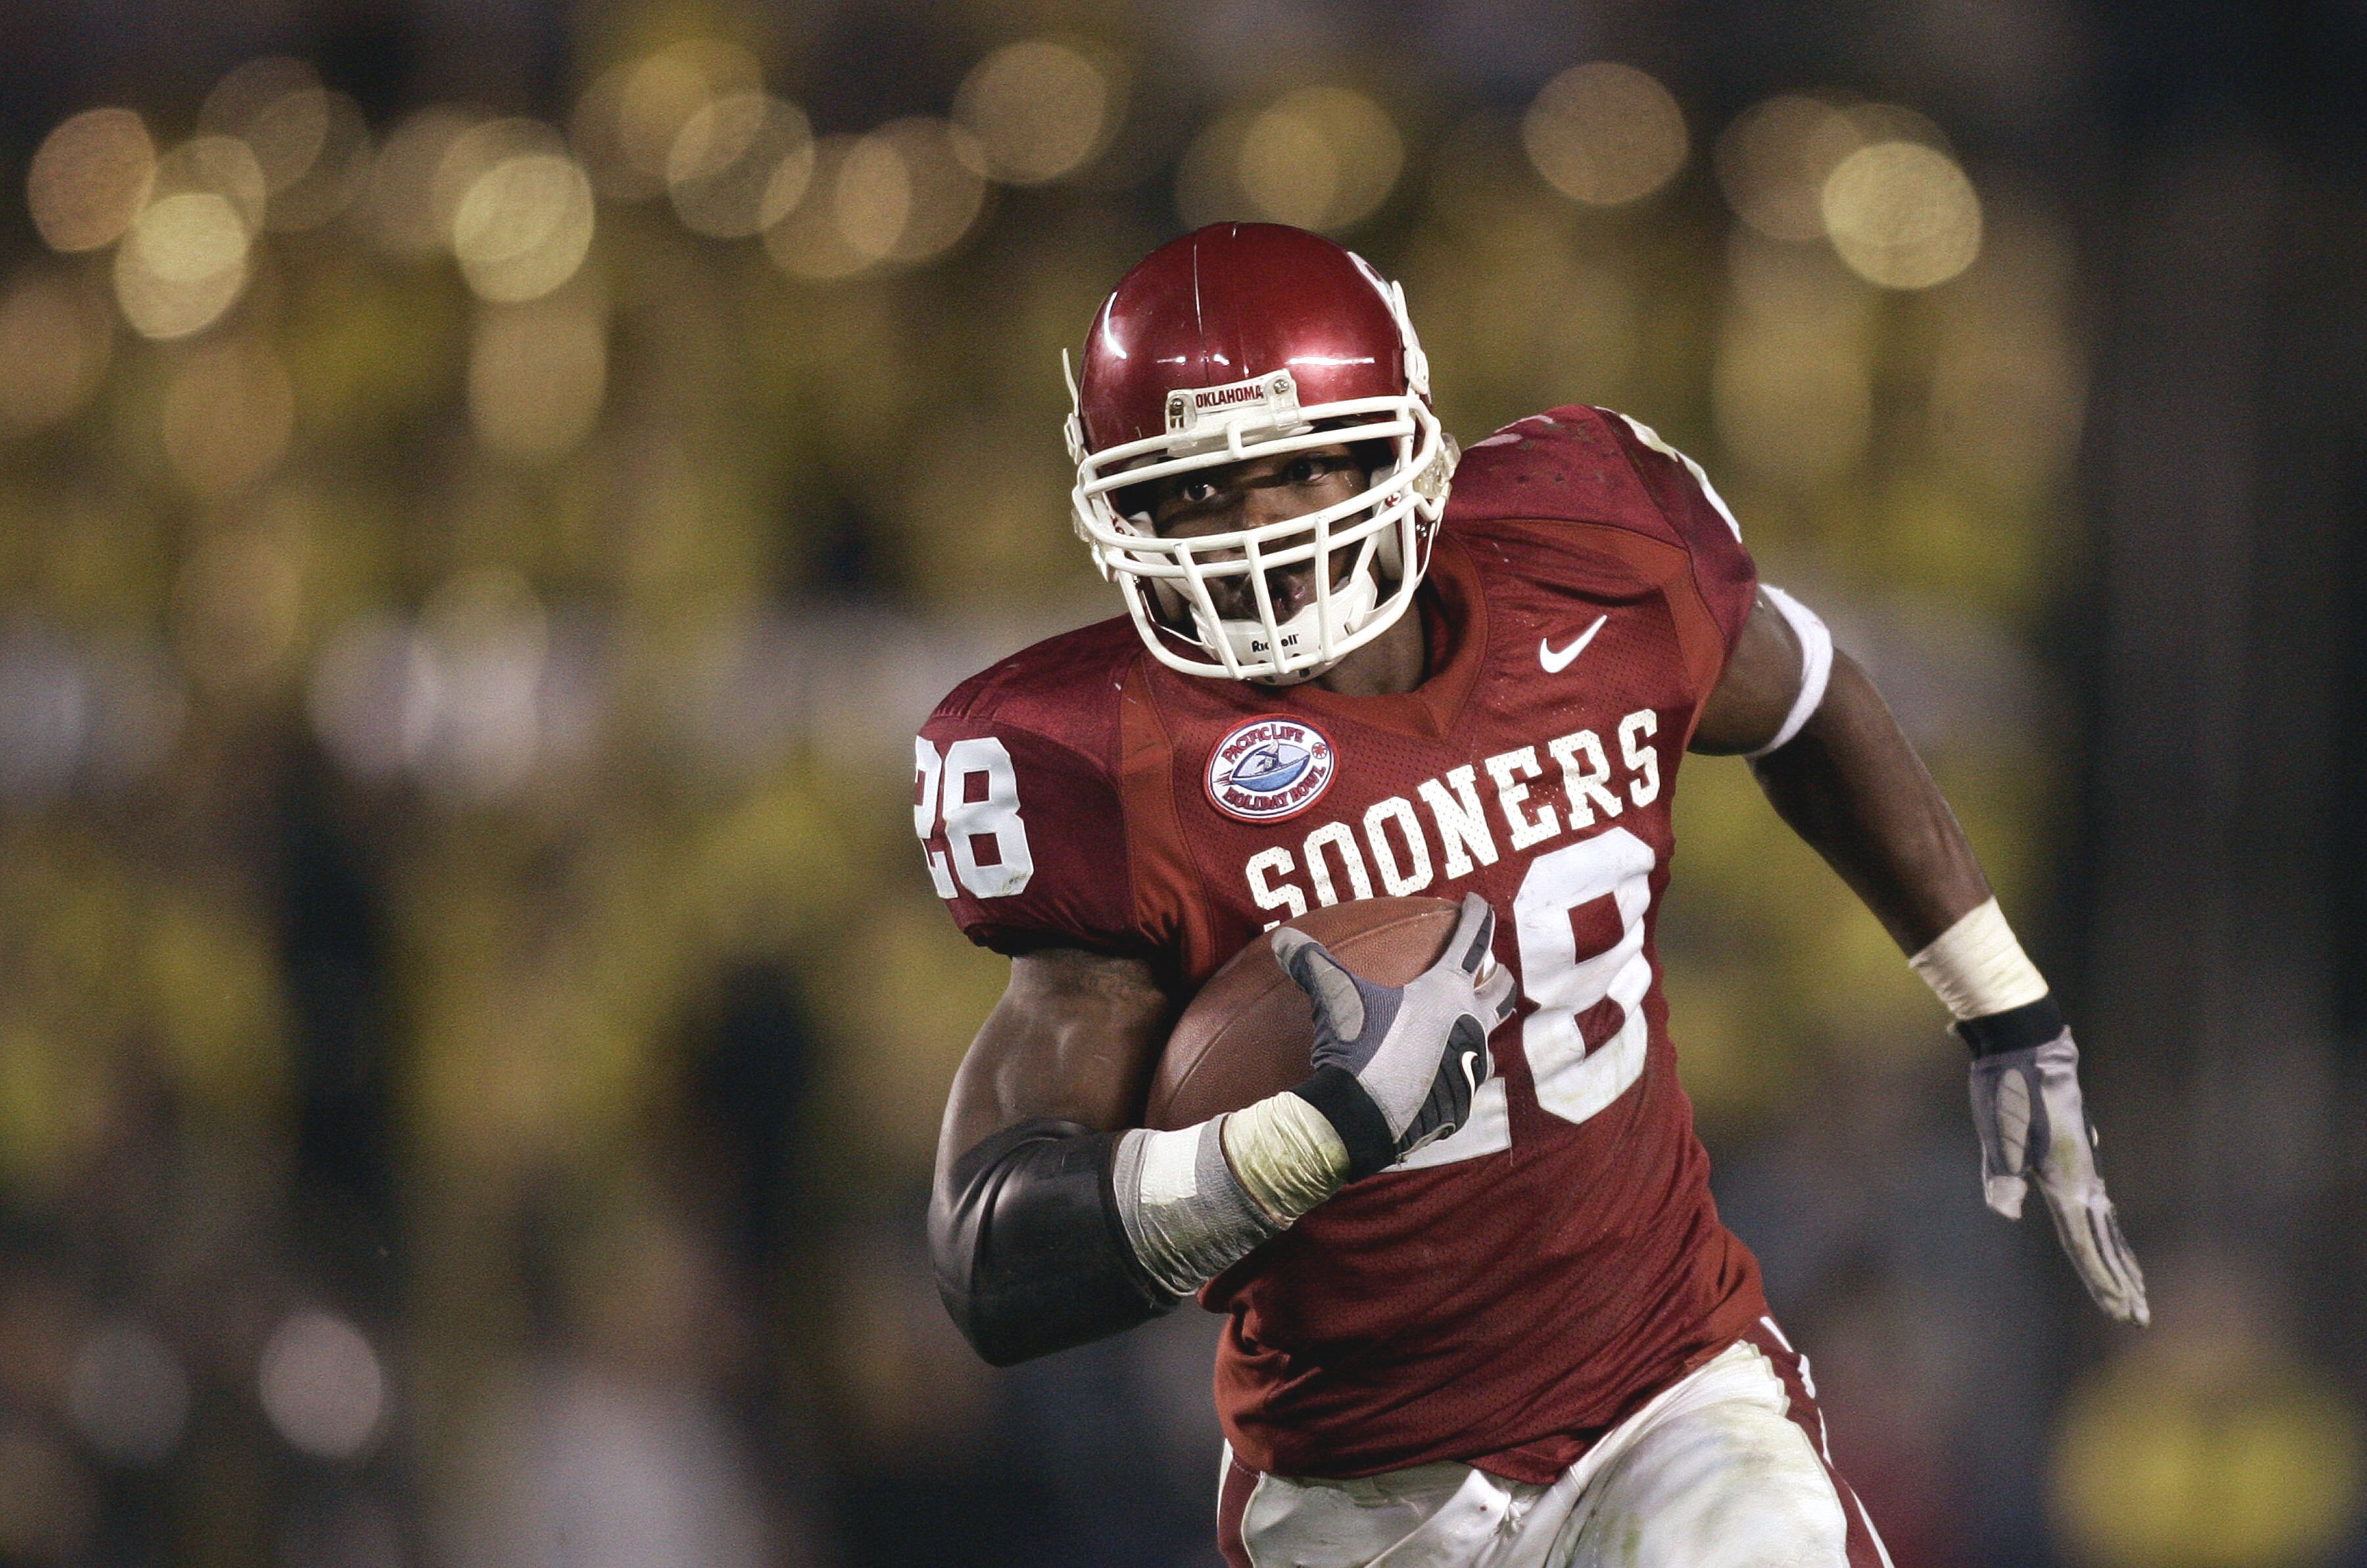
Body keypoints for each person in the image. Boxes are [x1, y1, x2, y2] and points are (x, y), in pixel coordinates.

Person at [914, 222, 2144, 1567]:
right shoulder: (1107, 757)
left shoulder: (1587, 553)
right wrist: (1296, 1146)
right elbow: (989, 1253)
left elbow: (1802, 695)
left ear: (1398, 442)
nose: (1256, 527)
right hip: (1359, 1478)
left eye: (1296, 466)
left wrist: (2000, 999)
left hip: (1662, 1388)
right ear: (1126, 510)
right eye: (1198, 490)